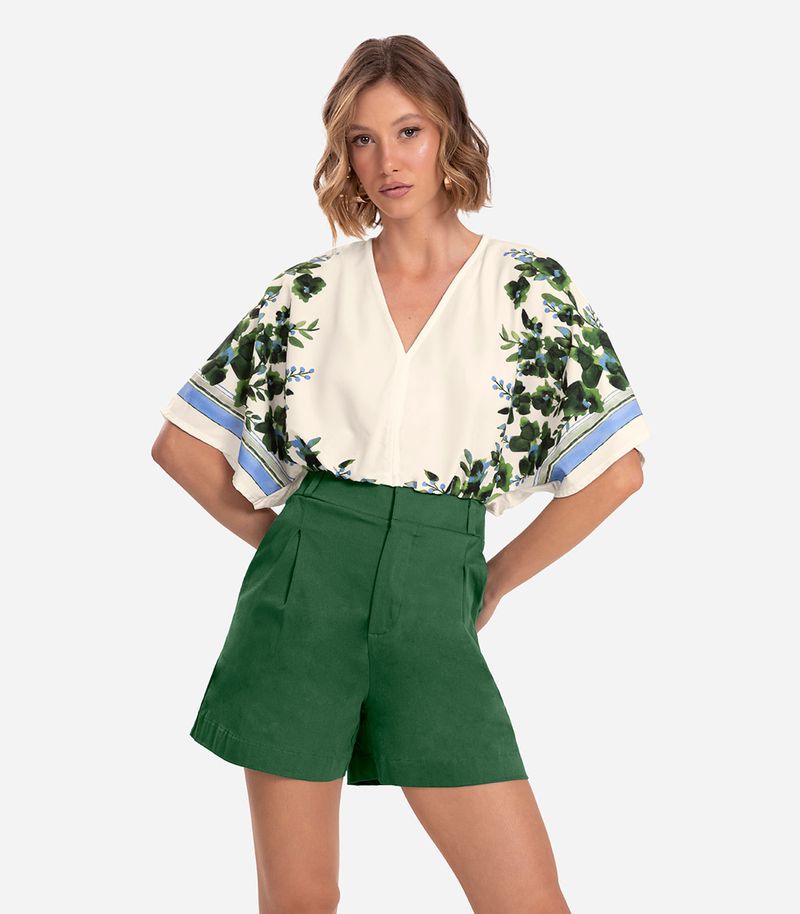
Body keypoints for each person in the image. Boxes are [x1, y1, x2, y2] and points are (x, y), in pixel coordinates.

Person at [152, 35, 650, 914]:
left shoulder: (529, 289)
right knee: (300, 901)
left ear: (450, 132)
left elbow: (617, 473)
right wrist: (289, 548)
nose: (387, 160)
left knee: (527, 901)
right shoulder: (308, 292)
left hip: (434, 596)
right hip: (299, 608)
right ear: (344, 154)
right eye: (363, 139)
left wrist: (494, 580)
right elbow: (182, 447)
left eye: (408, 131)